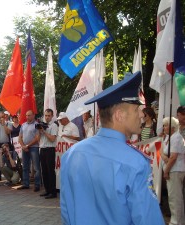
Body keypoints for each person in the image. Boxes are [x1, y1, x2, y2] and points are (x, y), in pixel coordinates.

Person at [60, 72, 165, 225]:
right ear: (119, 115)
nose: (142, 114)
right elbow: (149, 219)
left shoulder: (72, 154)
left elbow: (66, 210)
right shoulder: (135, 163)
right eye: (136, 109)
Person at [160, 117, 185, 225]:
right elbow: (162, 151)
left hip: (175, 170)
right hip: (173, 169)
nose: (164, 127)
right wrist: (165, 158)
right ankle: (179, 221)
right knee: (174, 197)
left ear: (172, 127)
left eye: (166, 125)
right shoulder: (170, 138)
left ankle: (176, 222)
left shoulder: (176, 137)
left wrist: (166, 171)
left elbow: (173, 157)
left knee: (175, 198)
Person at [17, 110, 41, 192]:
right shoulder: (23, 125)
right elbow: (20, 137)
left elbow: (37, 138)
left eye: (29, 115)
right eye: (26, 115)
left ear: (33, 115)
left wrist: (28, 145)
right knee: (25, 167)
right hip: (25, 148)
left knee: (36, 167)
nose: (27, 117)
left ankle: (37, 185)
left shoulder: (37, 125)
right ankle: (25, 184)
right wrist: (23, 146)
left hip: (34, 147)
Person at [38, 109, 58, 199]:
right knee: (44, 171)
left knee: (50, 171)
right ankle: (47, 190)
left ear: (52, 116)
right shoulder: (42, 125)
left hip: (50, 149)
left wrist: (44, 132)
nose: (47, 117)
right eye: (45, 115)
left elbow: (52, 139)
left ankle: (53, 192)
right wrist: (39, 131)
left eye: (48, 115)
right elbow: (38, 139)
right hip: (42, 149)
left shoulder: (54, 126)